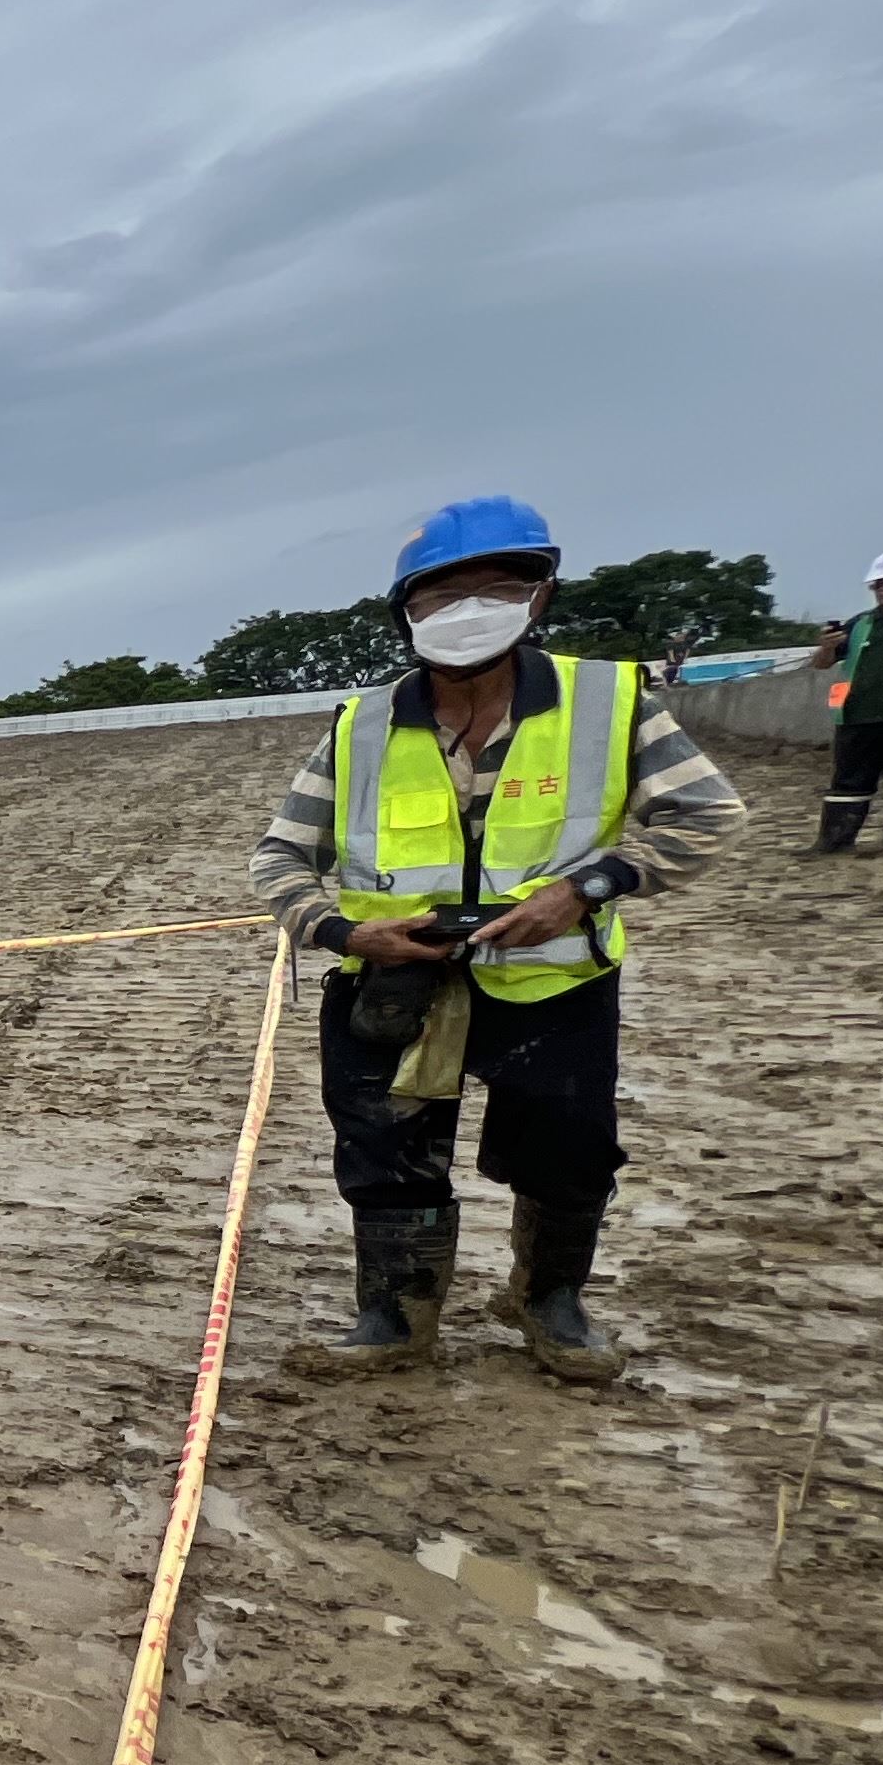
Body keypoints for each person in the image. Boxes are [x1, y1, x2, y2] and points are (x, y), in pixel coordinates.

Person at [252, 496, 744, 1386]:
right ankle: (395, 1318)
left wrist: (587, 890)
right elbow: (281, 854)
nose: (470, 609)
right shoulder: (361, 724)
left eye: (498, 586)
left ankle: (548, 1300)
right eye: (443, 594)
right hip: (395, 985)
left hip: (552, 983)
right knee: (385, 1149)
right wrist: (344, 929)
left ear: (539, 596)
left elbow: (706, 813)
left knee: (569, 1153)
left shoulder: (609, 701)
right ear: (407, 611)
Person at [815, 544, 883, 854]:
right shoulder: (862, 623)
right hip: (858, 713)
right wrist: (827, 646)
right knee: (848, 781)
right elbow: (822, 664)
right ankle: (834, 841)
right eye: (877, 585)